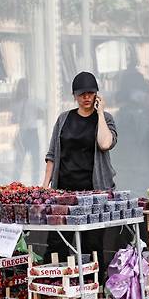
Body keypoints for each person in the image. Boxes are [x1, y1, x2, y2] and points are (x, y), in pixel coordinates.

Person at [42, 71, 117, 281]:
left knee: (92, 244)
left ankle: (95, 288)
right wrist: (44, 188)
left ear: (97, 95)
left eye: (91, 93)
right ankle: (53, 285)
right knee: (57, 242)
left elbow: (105, 143)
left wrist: (100, 113)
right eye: (82, 93)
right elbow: (52, 156)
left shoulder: (106, 119)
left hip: (94, 194)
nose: (86, 97)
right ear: (74, 95)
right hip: (64, 192)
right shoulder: (64, 119)